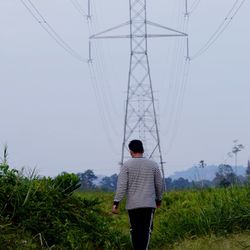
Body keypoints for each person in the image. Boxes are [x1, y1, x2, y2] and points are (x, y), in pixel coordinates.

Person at [112, 139, 163, 250]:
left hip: (133, 205)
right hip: (148, 204)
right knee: (146, 230)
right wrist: (159, 199)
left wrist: (116, 203)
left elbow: (121, 186)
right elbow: (159, 184)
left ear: (130, 152)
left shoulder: (126, 166)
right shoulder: (153, 165)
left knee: (134, 230)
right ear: (143, 150)